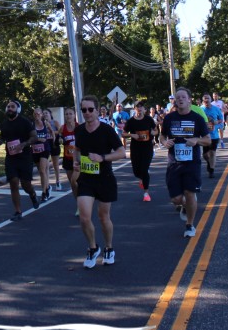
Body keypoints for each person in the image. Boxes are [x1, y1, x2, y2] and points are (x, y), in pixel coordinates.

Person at [75, 95, 126, 268]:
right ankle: (92, 248)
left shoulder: (106, 130)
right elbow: (77, 149)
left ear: (97, 111)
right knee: (84, 217)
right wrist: (76, 161)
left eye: (90, 109)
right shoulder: (79, 130)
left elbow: (121, 153)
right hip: (86, 179)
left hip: (105, 178)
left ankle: (109, 248)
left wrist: (102, 157)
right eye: (84, 110)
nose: (87, 113)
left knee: (103, 217)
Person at [162, 88, 208, 239]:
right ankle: (185, 205)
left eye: (183, 97)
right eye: (177, 98)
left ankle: (190, 224)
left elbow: (207, 140)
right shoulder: (169, 118)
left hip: (192, 163)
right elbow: (162, 136)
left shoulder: (197, 118)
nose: (180, 99)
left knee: (190, 193)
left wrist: (196, 140)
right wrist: (165, 142)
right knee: (175, 199)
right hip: (174, 162)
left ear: (189, 100)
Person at [0, 100, 40, 221]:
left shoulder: (25, 122)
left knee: (26, 185)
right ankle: (18, 211)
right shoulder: (5, 124)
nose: (10, 108)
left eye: (12, 107)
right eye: (8, 106)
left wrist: (24, 144)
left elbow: (34, 137)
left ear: (18, 109)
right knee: (13, 182)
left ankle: (32, 194)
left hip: (25, 157)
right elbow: (2, 137)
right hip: (11, 158)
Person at [123, 101, 157, 202]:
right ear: (134, 109)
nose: (139, 108)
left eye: (141, 106)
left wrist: (153, 132)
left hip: (147, 148)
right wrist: (131, 135)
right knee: (136, 171)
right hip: (135, 148)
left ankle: (146, 193)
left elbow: (156, 131)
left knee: (144, 169)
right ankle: (141, 178)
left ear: (144, 109)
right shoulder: (131, 121)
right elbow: (123, 134)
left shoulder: (149, 119)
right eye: (137, 107)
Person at [60, 107, 81, 217]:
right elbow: (57, 139)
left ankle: (83, 203)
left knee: (76, 181)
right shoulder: (62, 128)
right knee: (73, 184)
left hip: (78, 159)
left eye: (70, 114)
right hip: (67, 158)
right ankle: (79, 204)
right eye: (66, 114)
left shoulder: (79, 127)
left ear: (74, 115)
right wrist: (59, 140)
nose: (68, 116)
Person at [32, 107, 53, 202]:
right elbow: (29, 138)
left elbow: (52, 132)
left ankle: (44, 193)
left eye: (38, 113)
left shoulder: (45, 123)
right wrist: (38, 139)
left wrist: (53, 141)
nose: (37, 115)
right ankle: (47, 187)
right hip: (35, 150)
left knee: (42, 170)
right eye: (35, 114)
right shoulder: (31, 125)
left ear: (41, 115)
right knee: (41, 172)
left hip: (45, 149)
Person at [202, 94, 224, 180]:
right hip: (204, 135)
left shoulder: (216, 109)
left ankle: (211, 170)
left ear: (210, 100)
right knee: (205, 155)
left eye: (208, 99)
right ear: (203, 101)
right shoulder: (201, 109)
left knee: (212, 153)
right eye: (205, 99)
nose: (206, 101)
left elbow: (221, 119)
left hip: (214, 135)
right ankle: (209, 163)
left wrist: (216, 122)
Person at [44, 109, 63, 191]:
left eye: (46, 113)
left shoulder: (55, 122)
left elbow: (60, 131)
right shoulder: (42, 123)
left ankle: (58, 181)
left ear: (50, 114)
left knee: (55, 164)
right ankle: (47, 184)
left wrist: (51, 131)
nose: (45, 114)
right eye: (43, 113)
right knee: (46, 165)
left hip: (54, 144)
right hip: (46, 144)